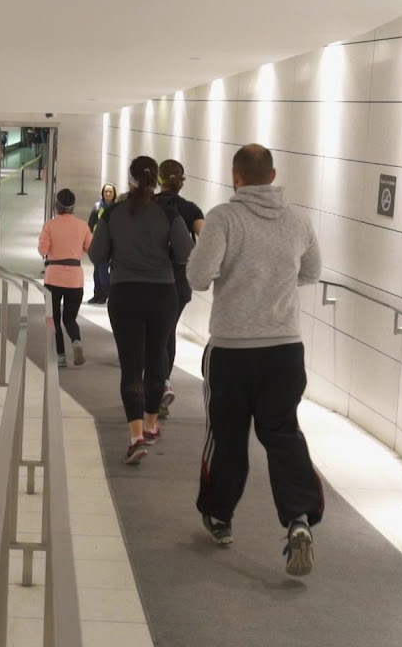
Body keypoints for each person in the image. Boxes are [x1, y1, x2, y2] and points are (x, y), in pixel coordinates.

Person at [187, 143, 323, 577]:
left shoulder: (225, 217)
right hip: (285, 349)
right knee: (282, 433)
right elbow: (311, 272)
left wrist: (236, 277)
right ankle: (299, 519)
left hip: (233, 349)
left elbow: (197, 276)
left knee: (227, 436)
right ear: (273, 174)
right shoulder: (298, 219)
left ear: (236, 176)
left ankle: (221, 516)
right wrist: (273, 285)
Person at [89, 158, 194, 465]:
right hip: (162, 293)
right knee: (157, 356)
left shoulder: (113, 213)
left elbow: (97, 254)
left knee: (131, 365)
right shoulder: (168, 213)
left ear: (130, 180)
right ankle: (151, 423)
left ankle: (135, 435)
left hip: (125, 294)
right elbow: (186, 252)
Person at [155, 160, 205, 416]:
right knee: (167, 331)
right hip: (179, 282)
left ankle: (156, 386)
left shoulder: (146, 206)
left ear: (158, 178)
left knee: (150, 334)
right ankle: (163, 382)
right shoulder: (190, 209)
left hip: (150, 280)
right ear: (181, 179)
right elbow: (205, 240)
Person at [38, 189, 93, 368]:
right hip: (75, 279)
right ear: (73, 207)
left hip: (53, 278)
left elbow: (42, 250)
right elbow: (90, 248)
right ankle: (76, 342)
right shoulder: (83, 225)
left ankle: (61, 355)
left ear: (57, 206)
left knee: (53, 318)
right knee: (69, 318)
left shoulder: (50, 225)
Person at [85, 183, 117, 304]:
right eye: (106, 192)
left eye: (110, 191)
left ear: (114, 194)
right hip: (99, 241)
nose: (108, 194)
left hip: (113, 242)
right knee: (97, 269)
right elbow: (91, 224)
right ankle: (97, 293)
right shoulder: (97, 207)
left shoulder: (117, 207)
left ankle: (106, 292)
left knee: (105, 269)